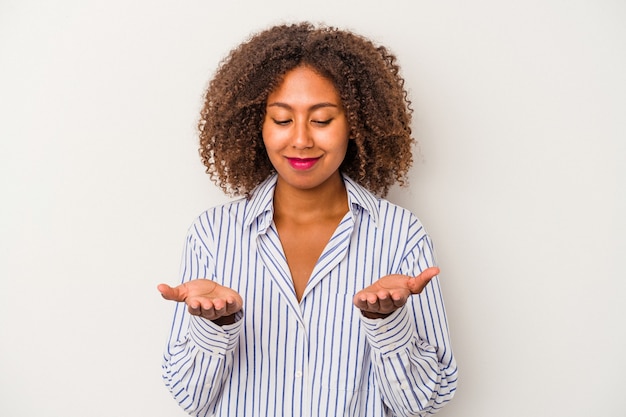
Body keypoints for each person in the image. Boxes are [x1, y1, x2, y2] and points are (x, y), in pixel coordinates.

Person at [157, 22, 457, 417]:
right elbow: (187, 397)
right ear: (256, 126)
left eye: (322, 120)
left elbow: (425, 402)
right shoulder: (212, 234)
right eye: (282, 120)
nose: (300, 139)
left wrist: (387, 324)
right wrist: (217, 326)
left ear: (355, 124)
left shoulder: (400, 235)